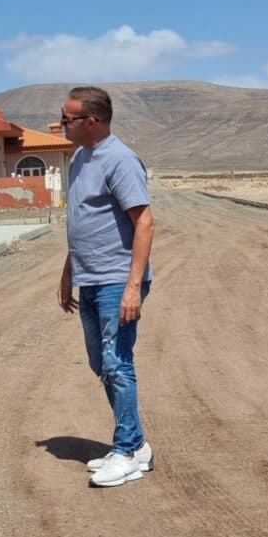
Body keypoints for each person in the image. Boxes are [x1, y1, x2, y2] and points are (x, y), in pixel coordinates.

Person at [57, 86, 155, 487]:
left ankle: (126, 450)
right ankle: (137, 446)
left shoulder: (120, 159)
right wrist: (68, 274)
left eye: (67, 118)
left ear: (91, 121)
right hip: (90, 279)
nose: (61, 124)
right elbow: (82, 223)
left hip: (117, 280)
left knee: (116, 363)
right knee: (102, 363)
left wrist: (133, 287)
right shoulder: (80, 158)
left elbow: (144, 222)